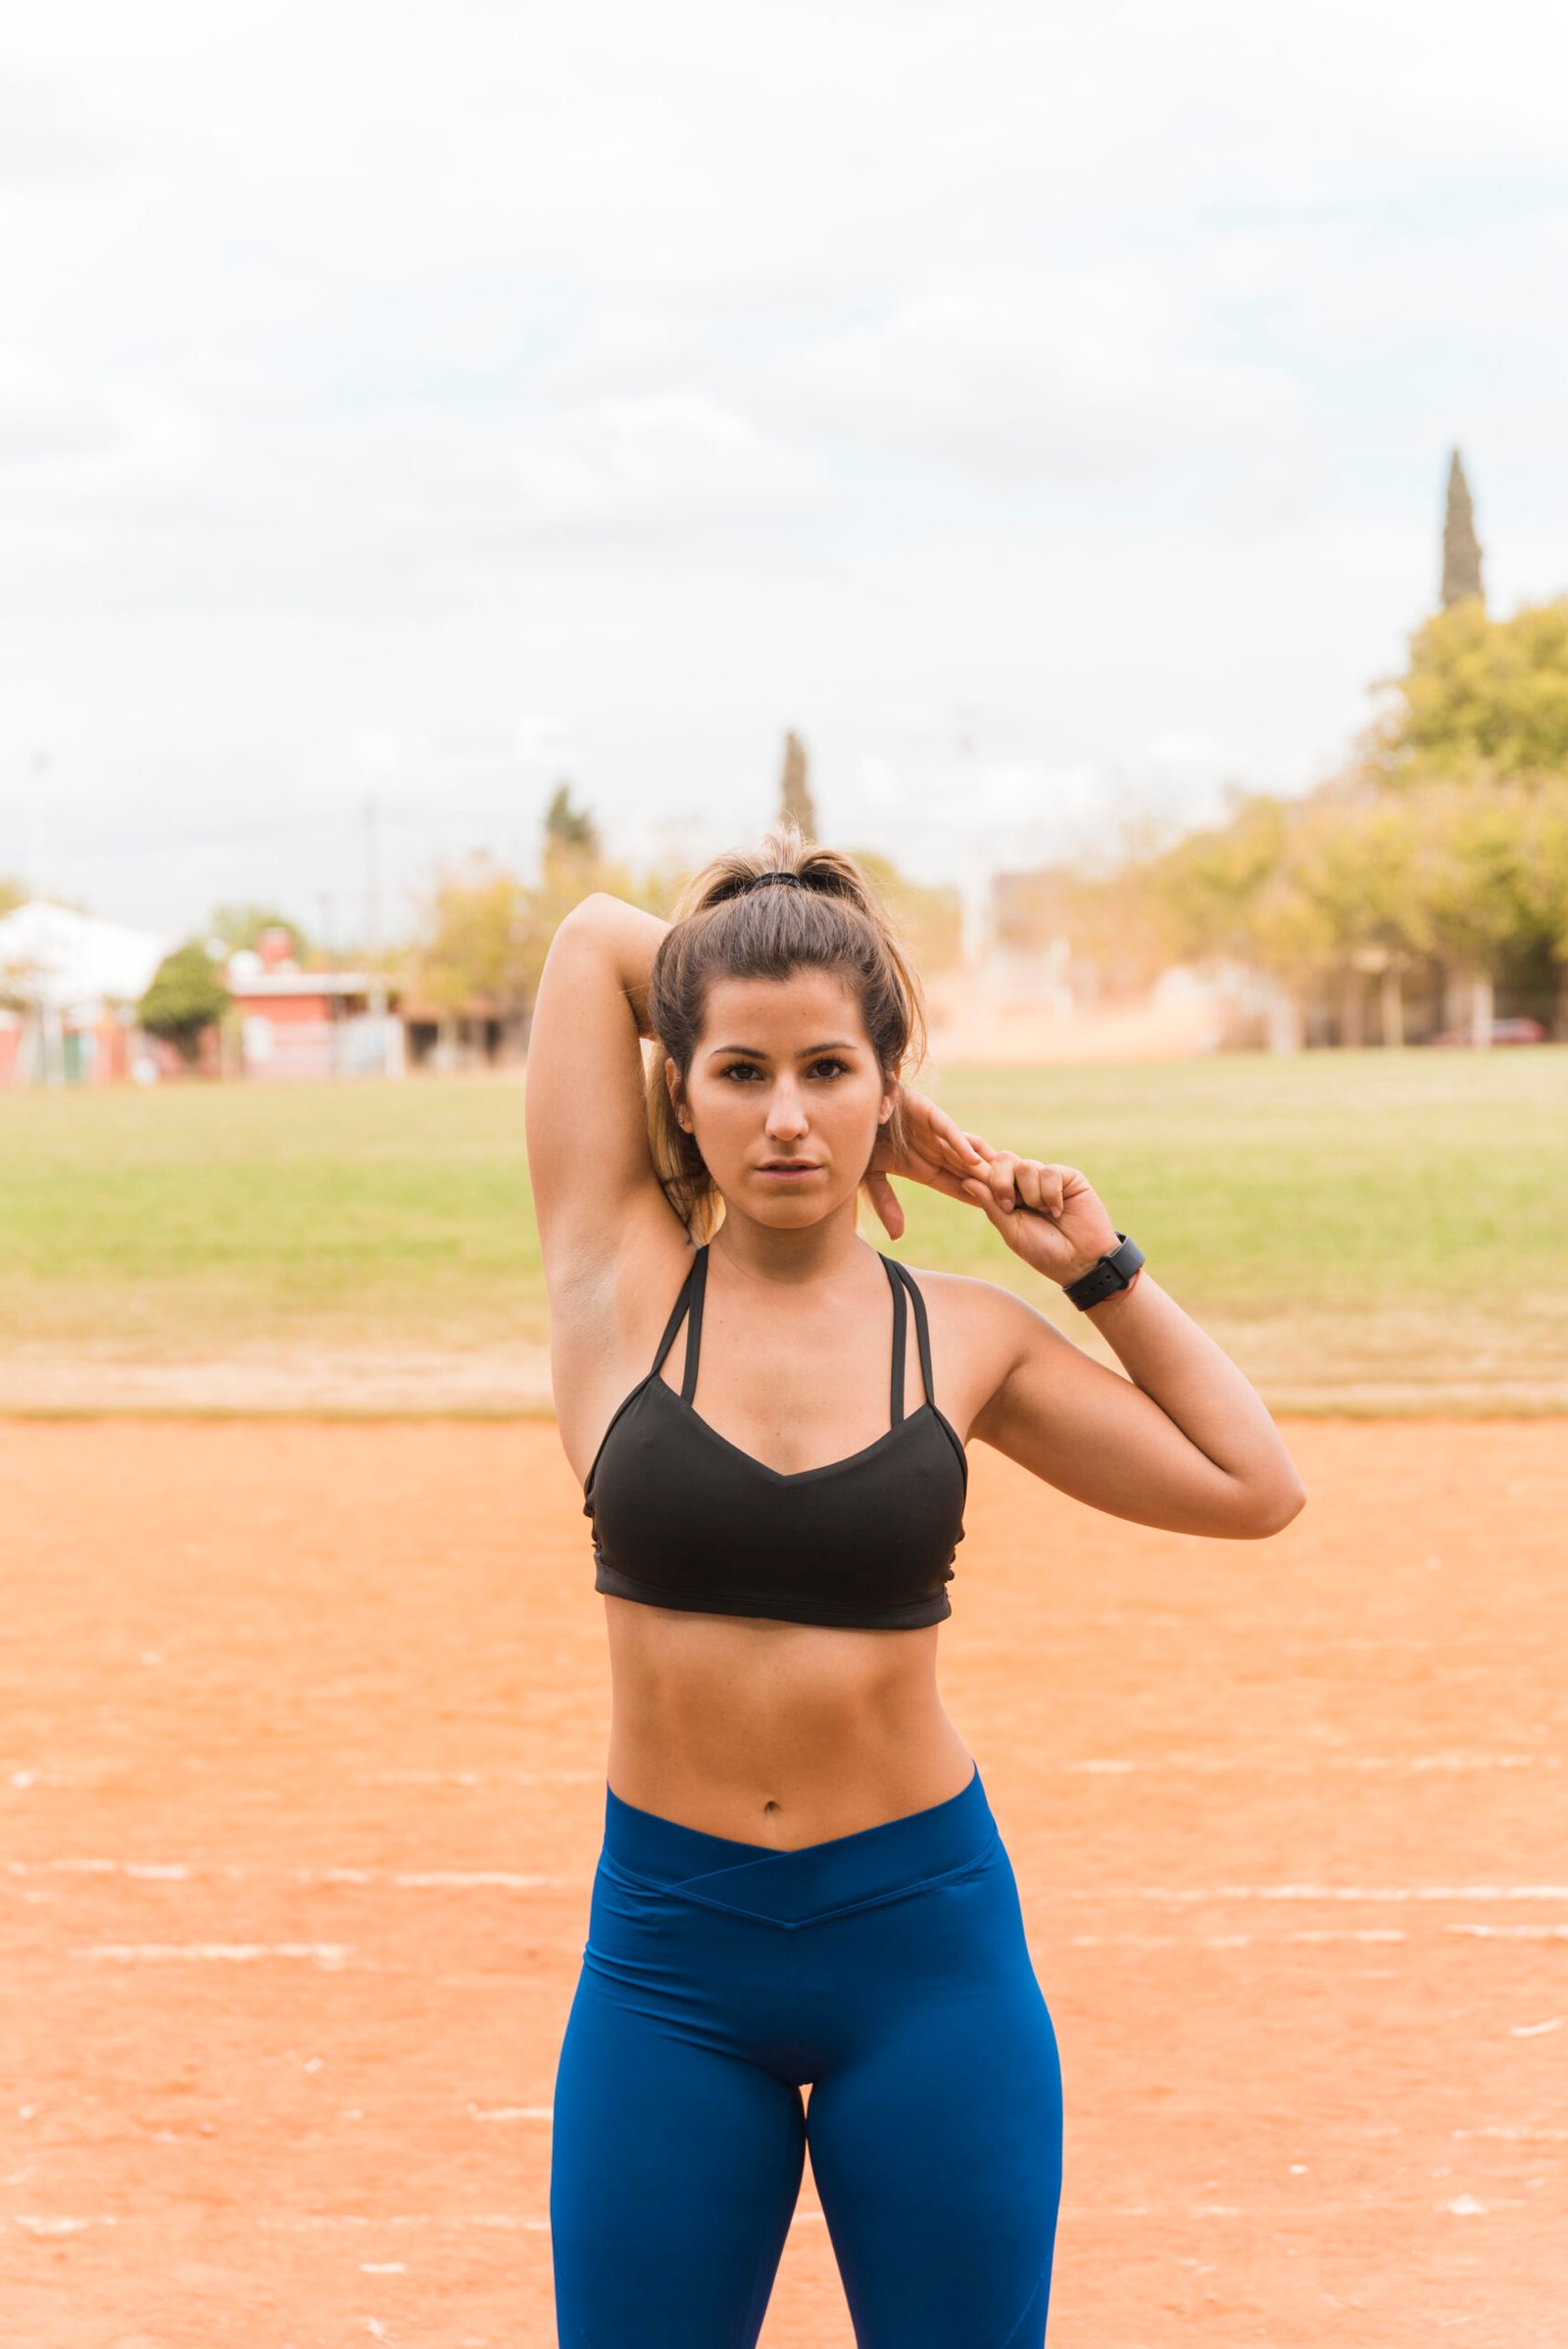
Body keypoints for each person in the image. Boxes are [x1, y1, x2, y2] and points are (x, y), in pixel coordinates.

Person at [524, 820, 1305, 2348]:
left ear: (890, 1086)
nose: (787, 1116)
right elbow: (592, 945)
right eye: (739, 1070)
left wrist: (1091, 1264)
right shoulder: (618, 1283)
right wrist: (775, 956)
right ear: (676, 1086)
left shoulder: (969, 1335)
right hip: (670, 1963)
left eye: (831, 1069)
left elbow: (1251, 1485)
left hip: (926, 1957)